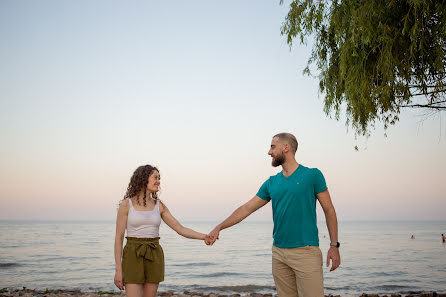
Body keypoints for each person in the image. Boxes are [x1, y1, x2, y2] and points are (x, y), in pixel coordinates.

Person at [208, 133, 341, 297]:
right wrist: (219, 227)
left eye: (272, 147)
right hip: (279, 254)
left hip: (306, 252)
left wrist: (334, 245)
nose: (269, 152)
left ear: (286, 147)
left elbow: (329, 210)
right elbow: (247, 208)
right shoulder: (271, 182)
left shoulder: (312, 175)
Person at [114, 165, 210, 297]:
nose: (158, 181)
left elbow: (179, 228)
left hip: (154, 253)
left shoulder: (159, 205)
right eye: (155, 177)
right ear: (143, 178)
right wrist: (118, 270)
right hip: (132, 253)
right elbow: (119, 239)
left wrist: (204, 236)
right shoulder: (126, 205)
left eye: (159, 178)